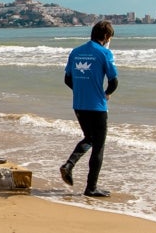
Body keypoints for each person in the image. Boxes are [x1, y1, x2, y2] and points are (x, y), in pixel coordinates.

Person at [60, 20, 118, 197]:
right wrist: (106, 93)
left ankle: (69, 165)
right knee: (98, 146)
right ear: (107, 37)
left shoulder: (76, 52)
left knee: (89, 138)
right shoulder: (105, 53)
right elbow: (114, 81)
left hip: (79, 104)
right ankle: (91, 187)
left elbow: (67, 79)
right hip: (97, 106)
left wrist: (81, 91)